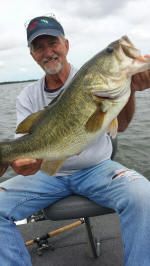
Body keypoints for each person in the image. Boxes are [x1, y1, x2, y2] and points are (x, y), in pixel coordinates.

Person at [0, 15, 150, 266]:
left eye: (53, 43)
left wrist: (131, 88)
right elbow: (28, 150)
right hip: (48, 176)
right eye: (39, 47)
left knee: (144, 196)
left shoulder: (91, 80)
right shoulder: (27, 96)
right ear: (33, 55)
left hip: (97, 169)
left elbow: (120, 125)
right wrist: (24, 164)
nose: (48, 52)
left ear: (66, 45)